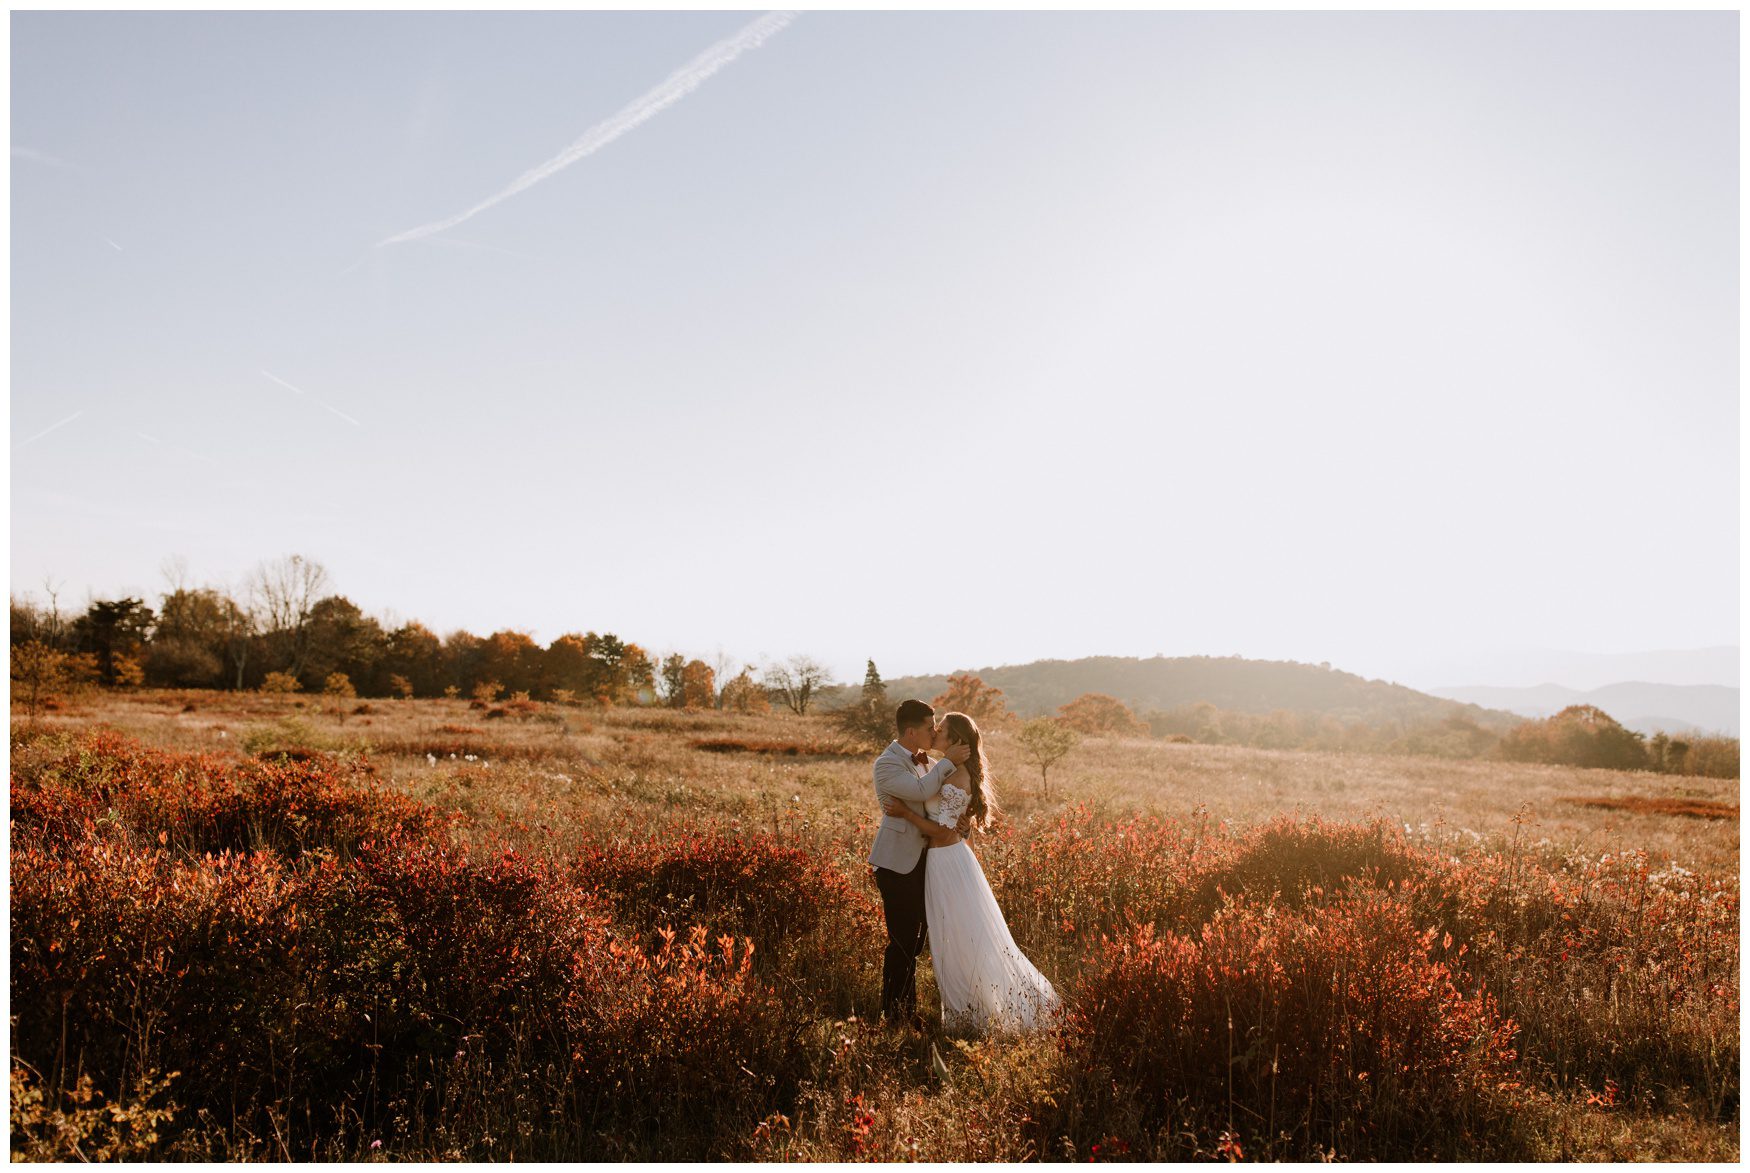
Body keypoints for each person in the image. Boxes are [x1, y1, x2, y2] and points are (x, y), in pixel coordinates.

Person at [882, 711, 1061, 1034]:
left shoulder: (956, 775)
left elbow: (942, 832)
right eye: (933, 727)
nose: (935, 732)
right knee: (951, 939)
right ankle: (963, 1009)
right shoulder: (942, 769)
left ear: (956, 742)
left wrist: (906, 814)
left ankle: (974, 1012)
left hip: (946, 861)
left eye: (942, 729)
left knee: (963, 939)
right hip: (940, 862)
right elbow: (945, 817)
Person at [868, 699, 969, 1026]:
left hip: (927, 862)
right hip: (897, 865)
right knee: (901, 941)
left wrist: (955, 820)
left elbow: (934, 803)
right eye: (929, 727)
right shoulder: (887, 765)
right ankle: (894, 1015)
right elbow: (921, 790)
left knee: (915, 942)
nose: (934, 731)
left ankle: (907, 1011)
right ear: (911, 731)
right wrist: (948, 761)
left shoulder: (925, 761)